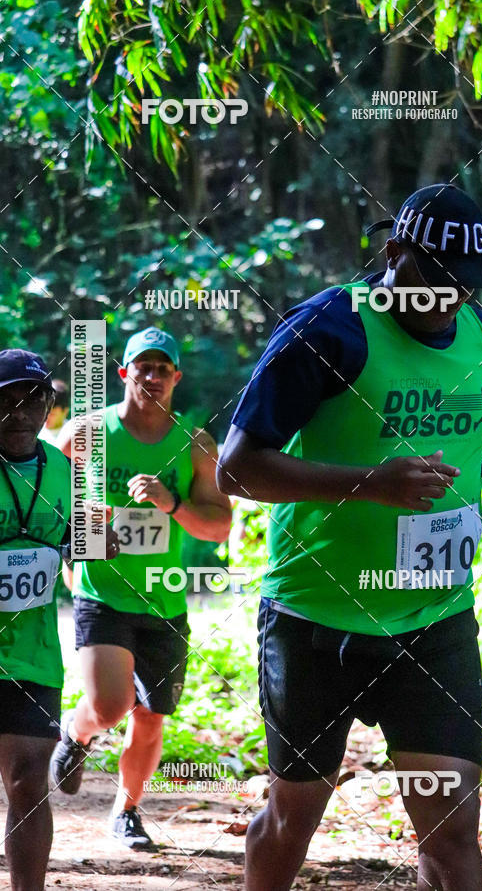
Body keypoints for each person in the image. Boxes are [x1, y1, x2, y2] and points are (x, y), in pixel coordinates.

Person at [217, 184, 482, 891]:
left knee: (452, 828)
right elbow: (237, 469)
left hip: (434, 622)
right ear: (394, 253)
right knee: (294, 818)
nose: (448, 300)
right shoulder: (328, 331)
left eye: (464, 286)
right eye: (436, 281)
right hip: (317, 623)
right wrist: (371, 482)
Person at [50, 327, 232, 849]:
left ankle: (126, 811)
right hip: (102, 593)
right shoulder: (88, 431)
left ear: (177, 377)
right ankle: (77, 732)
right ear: (124, 372)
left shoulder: (194, 444)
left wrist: (170, 503)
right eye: (142, 367)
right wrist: (78, 530)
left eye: (162, 369)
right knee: (110, 707)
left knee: (151, 717)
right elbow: (44, 490)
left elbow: (219, 526)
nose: (151, 377)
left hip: (164, 599)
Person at [0, 349, 118, 891]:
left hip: (35, 655)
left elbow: (82, 546)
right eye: (6, 399)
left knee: (27, 784)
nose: (19, 411)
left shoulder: (65, 473)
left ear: (48, 405)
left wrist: (99, 544)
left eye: (32, 399)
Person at [38, 378, 69, 446]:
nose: (46, 417)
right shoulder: (35, 432)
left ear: (65, 411)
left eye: (52, 414)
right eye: (45, 413)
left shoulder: (72, 433)